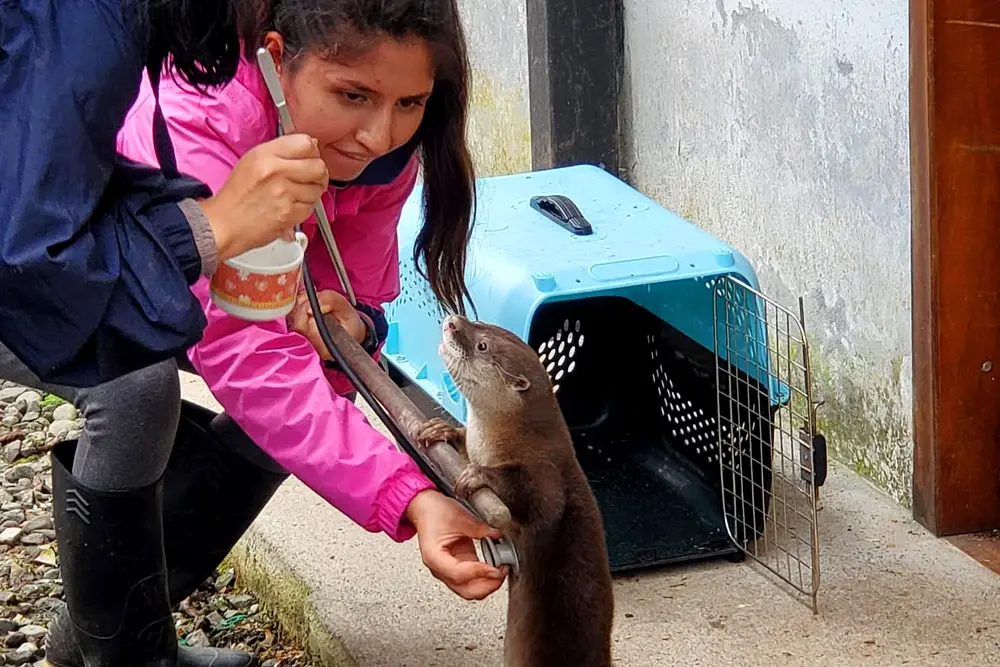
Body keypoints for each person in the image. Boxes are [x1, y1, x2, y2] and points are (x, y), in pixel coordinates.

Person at [41, 1, 505, 667]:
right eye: (354, 95)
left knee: (311, 386)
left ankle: (100, 633)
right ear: (276, 56)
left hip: (170, 279)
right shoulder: (204, 118)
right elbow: (244, 351)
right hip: (46, 268)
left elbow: (352, 297)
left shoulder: (376, 150)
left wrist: (354, 324)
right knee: (137, 390)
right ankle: (126, 656)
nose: (378, 133)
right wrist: (409, 496)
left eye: (411, 103)